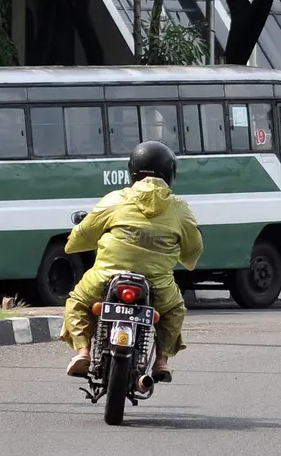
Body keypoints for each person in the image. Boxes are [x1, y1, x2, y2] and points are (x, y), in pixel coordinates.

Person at [61, 140, 204, 381]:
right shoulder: (180, 208)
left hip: (105, 279)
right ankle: (161, 361)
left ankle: (83, 352)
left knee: (77, 301)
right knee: (174, 309)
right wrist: (187, 258)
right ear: (170, 173)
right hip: (157, 286)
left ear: (133, 170)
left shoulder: (114, 200)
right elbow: (193, 250)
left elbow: (83, 235)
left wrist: (73, 243)